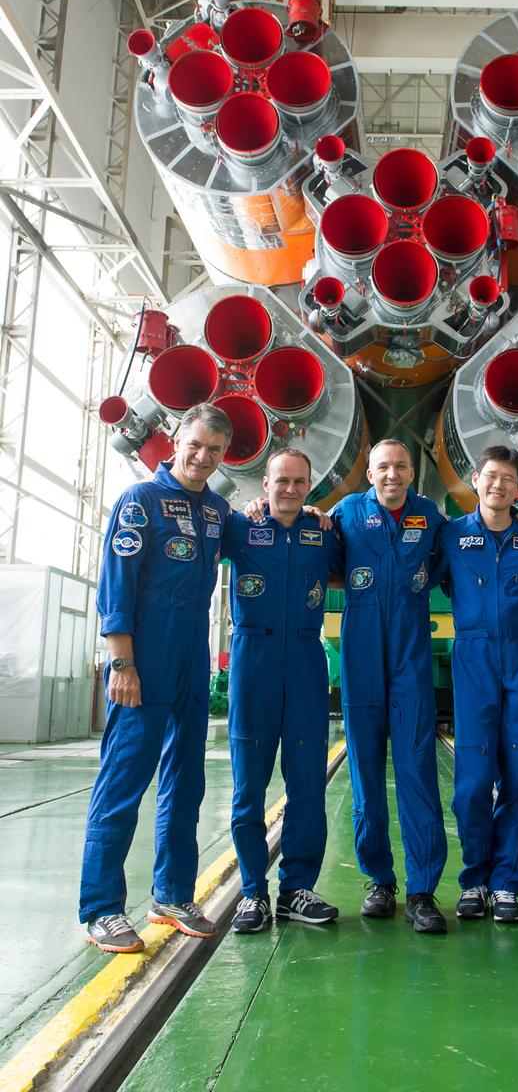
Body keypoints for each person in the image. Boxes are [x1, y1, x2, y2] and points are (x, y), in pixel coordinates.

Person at [80, 403, 232, 953]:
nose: (202, 456)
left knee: (185, 783)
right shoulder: (140, 502)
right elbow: (115, 586)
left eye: (214, 450)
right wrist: (122, 662)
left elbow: (266, 538)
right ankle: (101, 908)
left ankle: (171, 894)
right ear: (176, 440)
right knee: (123, 782)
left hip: (192, 660)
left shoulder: (217, 511)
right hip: (142, 659)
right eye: (195, 445)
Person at [330, 439, 449, 934]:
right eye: (383, 467)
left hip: (410, 658)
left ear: (412, 472)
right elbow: (315, 546)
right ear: (369, 472)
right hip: (360, 654)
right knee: (364, 769)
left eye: (401, 466)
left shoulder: (433, 517)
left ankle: (422, 890)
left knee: (417, 768)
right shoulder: (344, 513)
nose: (392, 474)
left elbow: (449, 562)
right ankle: (379, 879)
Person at [223, 449, 344, 933]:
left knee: (308, 785)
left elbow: (348, 568)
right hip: (253, 661)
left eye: (299, 481)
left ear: (309, 487)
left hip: (306, 663)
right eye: (281, 481)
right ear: (265, 483)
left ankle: (296, 889)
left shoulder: (324, 533)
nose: (290, 489)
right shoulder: (241, 527)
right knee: (248, 787)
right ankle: (253, 893)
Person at [435, 446, 518, 923]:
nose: (498, 485)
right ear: (474, 479)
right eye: (490, 476)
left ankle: (506, 883)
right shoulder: (450, 536)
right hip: (474, 656)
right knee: (473, 781)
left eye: (508, 478)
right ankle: (473, 881)